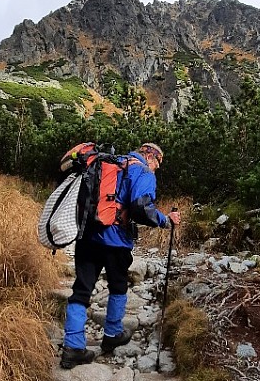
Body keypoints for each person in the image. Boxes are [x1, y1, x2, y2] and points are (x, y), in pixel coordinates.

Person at [60, 142, 181, 369]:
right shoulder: (142, 171)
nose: (157, 167)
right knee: (118, 286)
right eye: (158, 162)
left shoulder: (108, 163)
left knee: (82, 289)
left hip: (87, 235)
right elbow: (141, 208)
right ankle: (112, 333)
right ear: (150, 156)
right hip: (115, 240)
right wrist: (166, 220)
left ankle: (72, 347)